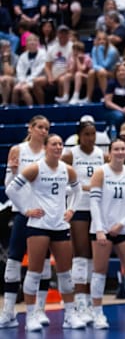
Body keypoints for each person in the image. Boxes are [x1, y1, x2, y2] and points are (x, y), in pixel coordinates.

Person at [5, 134, 84, 331]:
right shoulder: (36, 168)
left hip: (60, 226)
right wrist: (25, 210)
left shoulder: (68, 170)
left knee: (66, 274)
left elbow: (78, 190)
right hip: (38, 225)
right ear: (46, 147)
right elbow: (11, 189)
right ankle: (31, 314)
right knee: (34, 272)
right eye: (54, 144)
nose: (58, 147)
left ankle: (70, 314)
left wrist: (71, 209)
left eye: (60, 144)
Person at [87, 139, 125, 328]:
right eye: (116, 149)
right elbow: (94, 203)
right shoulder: (101, 172)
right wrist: (99, 229)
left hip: (124, 228)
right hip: (102, 229)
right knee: (99, 271)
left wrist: (121, 224)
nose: (120, 152)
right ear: (110, 152)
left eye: (123, 149)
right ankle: (97, 313)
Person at [0, 116, 50, 328]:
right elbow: (8, 185)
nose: (43, 131)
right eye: (40, 127)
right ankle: (8, 312)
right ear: (30, 128)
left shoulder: (50, 152)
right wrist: (12, 172)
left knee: (43, 264)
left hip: (44, 214)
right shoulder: (18, 150)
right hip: (22, 212)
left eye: (47, 128)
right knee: (13, 262)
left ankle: (39, 309)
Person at [61, 121, 106, 325]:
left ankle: (89, 302)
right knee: (80, 254)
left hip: (97, 209)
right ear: (79, 136)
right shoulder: (70, 155)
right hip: (78, 208)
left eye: (93, 134)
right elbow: (60, 180)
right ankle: (79, 303)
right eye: (87, 134)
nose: (91, 138)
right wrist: (83, 188)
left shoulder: (102, 155)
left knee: (94, 257)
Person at [12, 34, 47, 107]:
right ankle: (14, 110)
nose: (32, 42)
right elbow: (19, 70)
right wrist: (22, 80)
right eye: (30, 41)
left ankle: (30, 108)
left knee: (23, 89)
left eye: (34, 40)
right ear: (26, 44)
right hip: (23, 80)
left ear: (37, 43)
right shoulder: (23, 56)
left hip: (37, 78)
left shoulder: (43, 54)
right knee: (15, 89)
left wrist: (27, 81)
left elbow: (40, 69)